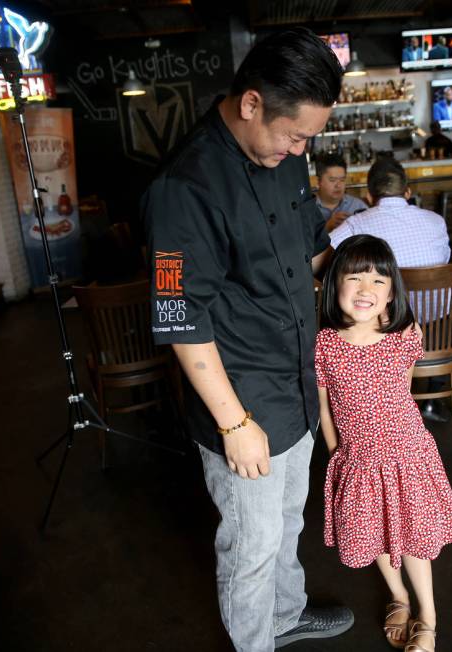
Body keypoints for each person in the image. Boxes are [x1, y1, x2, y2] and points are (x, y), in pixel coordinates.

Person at [141, 27, 353, 652]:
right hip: (244, 398)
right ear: (252, 102)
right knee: (252, 545)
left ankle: (285, 617)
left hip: (297, 382)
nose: (299, 149)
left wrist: (369, 284)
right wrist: (235, 425)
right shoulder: (185, 188)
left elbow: (307, 252)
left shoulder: (287, 156)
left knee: (288, 523)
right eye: (294, 136)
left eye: (308, 139)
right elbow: (181, 316)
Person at [315, 234, 452, 651]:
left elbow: (403, 392)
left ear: (392, 292)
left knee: (414, 536)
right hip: (357, 460)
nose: (366, 289)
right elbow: (326, 409)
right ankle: (398, 597)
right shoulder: (324, 342)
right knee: (374, 533)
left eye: (379, 280)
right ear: (335, 284)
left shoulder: (402, 336)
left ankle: (429, 617)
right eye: (355, 277)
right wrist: (336, 454)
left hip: (405, 454)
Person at [329, 158, 451, 423]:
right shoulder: (437, 221)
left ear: (368, 196)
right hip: (439, 330)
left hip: (386, 329)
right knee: (441, 310)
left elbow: (327, 261)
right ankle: (435, 398)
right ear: (407, 193)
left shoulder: (355, 224)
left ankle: (367, 397)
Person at [315, 153, 368, 232]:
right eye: (332, 180)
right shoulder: (307, 209)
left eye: (342, 180)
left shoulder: (358, 206)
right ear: (318, 182)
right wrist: (327, 227)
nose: (338, 185)